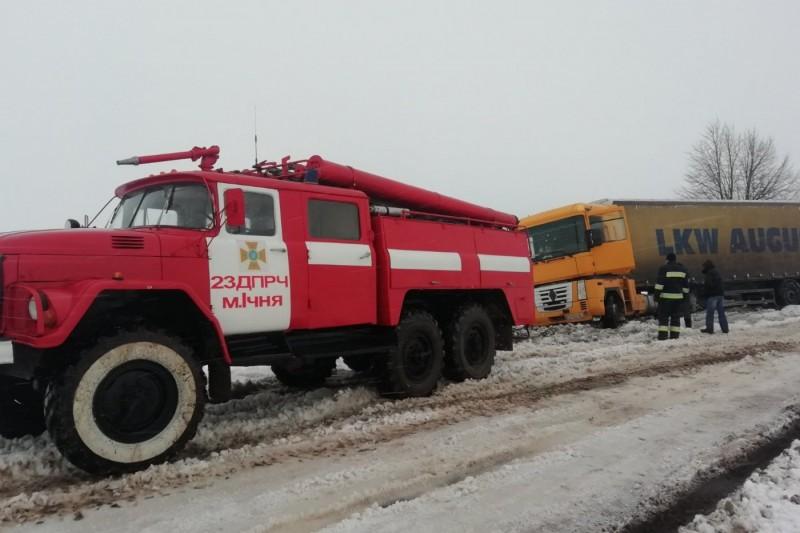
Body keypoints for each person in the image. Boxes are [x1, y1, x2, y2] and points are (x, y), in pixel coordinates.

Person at [654, 252, 690, 340]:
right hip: (678, 299)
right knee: (676, 318)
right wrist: (684, 297)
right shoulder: (683, 269)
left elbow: (659, 284)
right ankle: (675, 336)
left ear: (667, 260)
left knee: (664, 318)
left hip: (665, 298)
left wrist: (656, 297)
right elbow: (686, 286)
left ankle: (663, 336)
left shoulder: (663, 268)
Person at [700, 259, 729, 334]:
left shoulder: (709, 273)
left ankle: (709, 329)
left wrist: (704, 290)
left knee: (710, 313)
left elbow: (709, 284)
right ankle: (725, 329)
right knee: (721, 313)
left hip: (712, 295)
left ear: (706, 266)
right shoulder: (716, 272)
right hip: (720, 295)